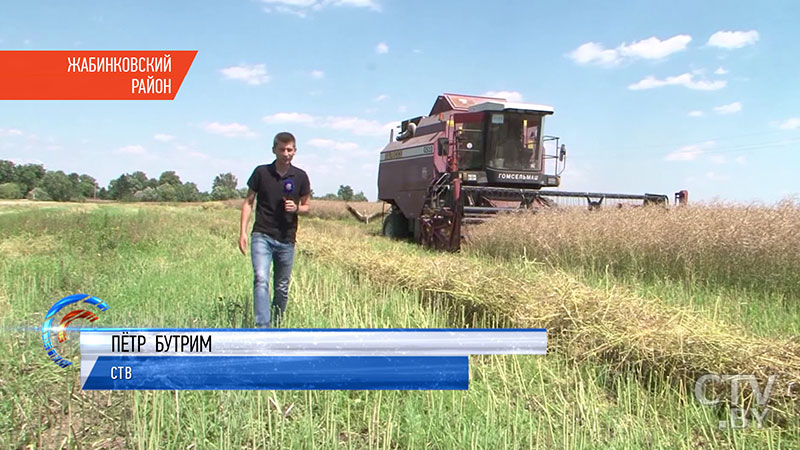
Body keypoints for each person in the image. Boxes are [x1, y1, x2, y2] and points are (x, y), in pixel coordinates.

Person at [239, 132, 311, 328]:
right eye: (281, 149)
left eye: (289, 150)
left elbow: (307, 207)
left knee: (281, 287)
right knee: (261, 279)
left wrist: (296, 208)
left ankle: (277, 324)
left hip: (287, 238)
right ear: (274, 150)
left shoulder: (301, 177)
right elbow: (248, 202)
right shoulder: (261, 173)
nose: (285, 153)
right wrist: (243, 232)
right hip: (262, 235)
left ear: (295, 151)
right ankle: (263, 327)